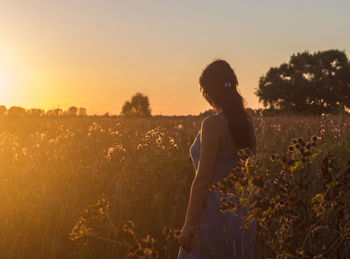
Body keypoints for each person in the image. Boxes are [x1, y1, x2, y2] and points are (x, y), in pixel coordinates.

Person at [177, 59, 257, 259]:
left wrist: (188, 224)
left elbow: (203, 179)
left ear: (209, 91)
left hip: (213, 214)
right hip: (241, 215)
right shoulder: (246, 125)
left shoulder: (212, 124)